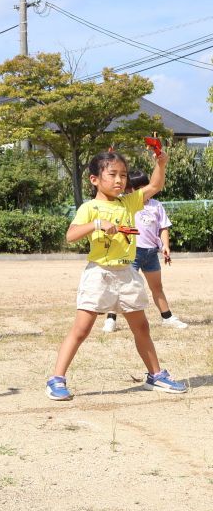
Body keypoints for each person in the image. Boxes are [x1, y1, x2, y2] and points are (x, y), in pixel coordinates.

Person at [46, 149, 187, 401]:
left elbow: (155, 184)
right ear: (94, 179)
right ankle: (56, 379)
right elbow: (71, 235)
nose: (120, 180)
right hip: (99, 274)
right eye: (112, 174)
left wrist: (161, 163)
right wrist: (98, 223)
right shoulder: (90, 207)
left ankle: (155, 375)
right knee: (81, 329)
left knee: (142, 327)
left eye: (123, 175)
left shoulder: (128, 202)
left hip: (127, 273)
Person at [102, 169, 187, 332]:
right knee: (121, 286)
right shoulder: (125, 203)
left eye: (145, 186)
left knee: (157, 287)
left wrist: (165, 246)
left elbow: (163, 228)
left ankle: (167, 317)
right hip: (131, 252)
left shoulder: (156, 206)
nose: (144, 191)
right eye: (138, 188)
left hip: (150, 253)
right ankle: (111, 319)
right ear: (129, 190)